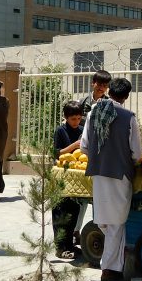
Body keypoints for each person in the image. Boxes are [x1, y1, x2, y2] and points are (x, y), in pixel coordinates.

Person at [81, 78, 142, 281]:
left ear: (110, 91)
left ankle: (114, 264)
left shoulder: (92, 114)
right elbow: (138, 154)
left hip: (98, 173)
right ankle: (109, 268)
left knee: (104, 220)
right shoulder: (128, 117)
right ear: (126, 96)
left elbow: (84, 147)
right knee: (116, 223)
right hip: (120, 174)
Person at [52, 100, 86, 258]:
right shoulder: (61, 131)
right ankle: (60, 247)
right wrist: (74, 146)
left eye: (79, 118)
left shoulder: (82, 130)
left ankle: (70, 244)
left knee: (74, 210)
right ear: (66, 117)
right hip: (62, 176)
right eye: (73, 119)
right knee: (60, 212)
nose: (76, 122)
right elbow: (57, 153)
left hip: (75, 177)